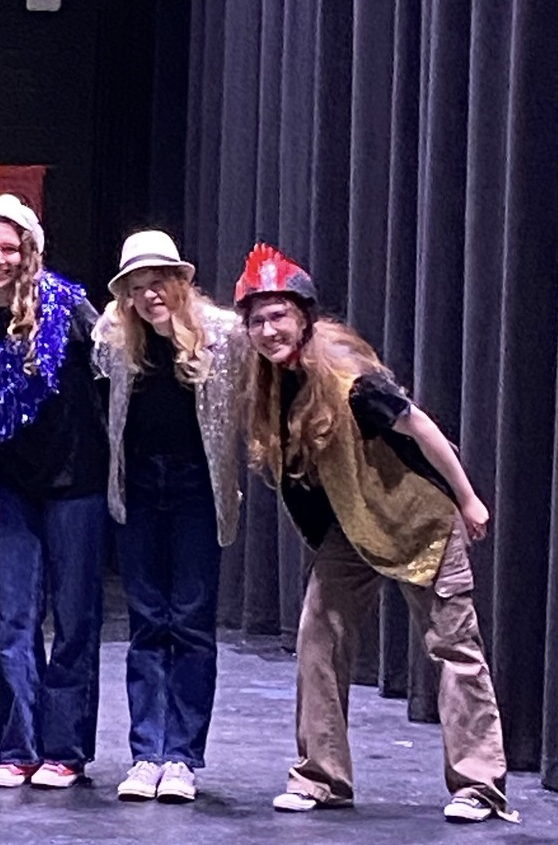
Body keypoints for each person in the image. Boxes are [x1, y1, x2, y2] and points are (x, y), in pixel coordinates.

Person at [233, 243, 516, 823]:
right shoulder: (268, 382)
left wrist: (468, 499)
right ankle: (322, 777)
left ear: (304, 316)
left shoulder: (348, 379)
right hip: (354, 531)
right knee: (318, 636)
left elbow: (422, 427)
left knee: (454, 649)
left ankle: (479, 786)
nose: (269, 329)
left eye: (279, 315)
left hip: (418, 524)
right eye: (258, 319)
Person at [0, 194, 108, 789]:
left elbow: (118, 360)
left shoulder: (68, 306)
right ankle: (18, 746)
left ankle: (65, 749)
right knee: (12, 619)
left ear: (28, 251)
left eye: (8, 248)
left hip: (76, 481)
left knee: (73, 618)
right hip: (11, 484)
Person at [93, 229, 246, 803]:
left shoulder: (225, 336)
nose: (150, 295)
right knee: (146, 622)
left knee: (189, 620)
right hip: (138, 489)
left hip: (195, 491)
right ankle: (144, 754)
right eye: (138, 286)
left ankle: (181, 755)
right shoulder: (114, 340)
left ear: (181, 283)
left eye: (159, 282)